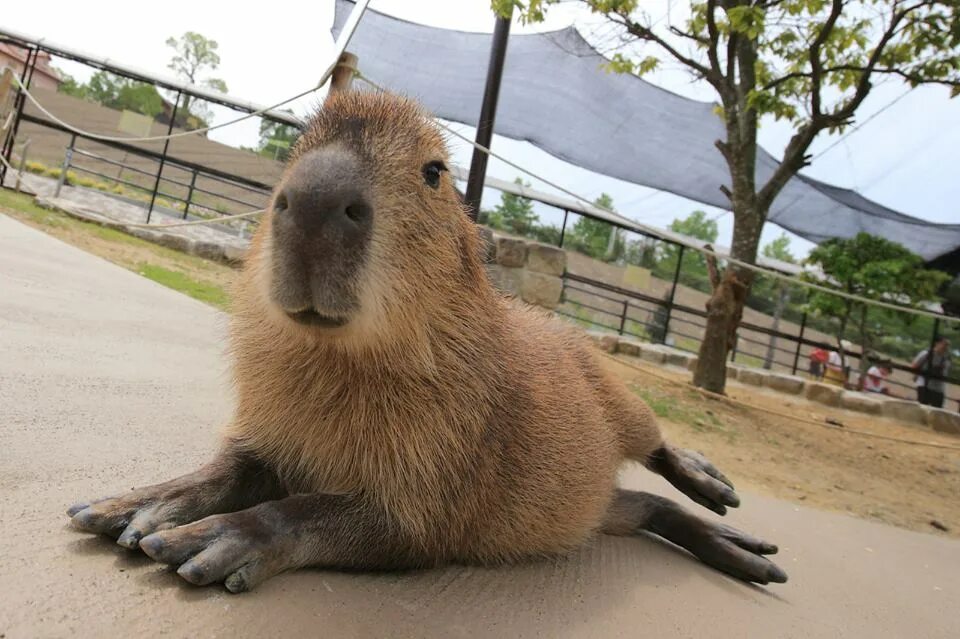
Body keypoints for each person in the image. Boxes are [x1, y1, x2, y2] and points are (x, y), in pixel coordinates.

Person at [912, 337, 951, 408]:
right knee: (923, 408)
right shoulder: (926, 353)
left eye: (948, 345)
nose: (946, 347)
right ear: (937, 343)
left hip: (939, 389)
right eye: (945, 344)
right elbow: (914, 366)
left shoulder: (946, 358)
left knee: (937, 411)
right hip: (924, 385)